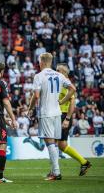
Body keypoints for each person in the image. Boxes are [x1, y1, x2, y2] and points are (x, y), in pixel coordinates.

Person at [27, 53, 76, 181]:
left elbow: (36, 96)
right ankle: (54, 171)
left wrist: (30, 108)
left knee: (50, 143)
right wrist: (63, 100)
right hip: (57, 113)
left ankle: (56, 172)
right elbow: (73, 88)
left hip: (46, 113)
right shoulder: (59, 75)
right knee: (53, 143)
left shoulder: (39, 76)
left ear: (41, 62)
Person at [55, 64, 91, 176]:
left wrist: (67, 119)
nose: (56, 72)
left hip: (64, 116)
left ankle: (54, 171)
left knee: (54, 143)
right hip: (60, 116)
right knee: (61, 145)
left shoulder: (66, 84)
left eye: (58, 70)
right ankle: (84, 162)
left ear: (64, 73)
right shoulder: (61, 83)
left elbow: (72, 103)